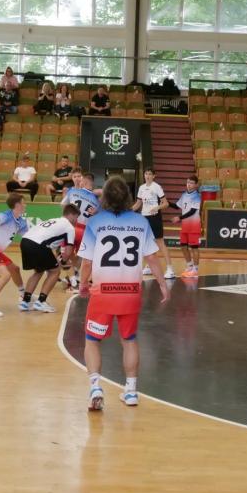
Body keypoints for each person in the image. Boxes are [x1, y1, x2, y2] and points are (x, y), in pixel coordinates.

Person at [78, 175, 169, 411]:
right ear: (128, 197)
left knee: (92, 340)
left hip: (103, 293)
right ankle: (131, 391)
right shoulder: (141, 222)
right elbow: (152, 258)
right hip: (130, 292)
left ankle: (95, 388)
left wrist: (82, 284)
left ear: (105, 197)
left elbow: (86, 263)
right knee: (129, 340)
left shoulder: (95, 222)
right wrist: (162, 284)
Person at [18, 205, 79, 313]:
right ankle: (41, 302)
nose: (76, 220)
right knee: (55, 271)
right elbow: (68, 252)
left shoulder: (53, 220)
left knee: (38, 271)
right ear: (72, 215)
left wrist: (57, 261)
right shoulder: (69, 227)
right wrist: (63, 262)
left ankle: (25, 302)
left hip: (25, 242)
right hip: (39, 245)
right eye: (76, 217)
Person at [59, 170, 100, 289]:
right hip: (85, 231)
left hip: (71, 227)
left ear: (84, 181)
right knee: (82, 257)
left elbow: (63, 205)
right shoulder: (97, 201)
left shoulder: (72, 191)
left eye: (80, 179)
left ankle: (73, 279)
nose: (79, 181)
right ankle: (78, 278)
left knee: (65, 255)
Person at [134, 168, 176, 279]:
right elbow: (138, 204)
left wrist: (157, 207)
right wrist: (127, 211)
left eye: (150, 174)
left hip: (155, 218)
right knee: (147, 243)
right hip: (144, 218)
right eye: (146, 174)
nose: (147, 176)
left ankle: (170, 269)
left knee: (160, 243)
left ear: (154, 176)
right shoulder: (141, 188)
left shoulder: (157, 187)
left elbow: (165, 203)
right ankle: (149, 266)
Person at [169, 175, 202, 277]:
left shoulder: (197, 196)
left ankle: (195, 270)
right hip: (185, 226)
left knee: (194, 248)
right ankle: (189, 266)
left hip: (194, 226)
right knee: (183, 246)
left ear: (196, 185)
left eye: (191, 183)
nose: (189, 185)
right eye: (188, 182)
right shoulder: (184, 195)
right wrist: (166, 202)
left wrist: (179, 218)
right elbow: (177, 206)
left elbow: (192, 211)